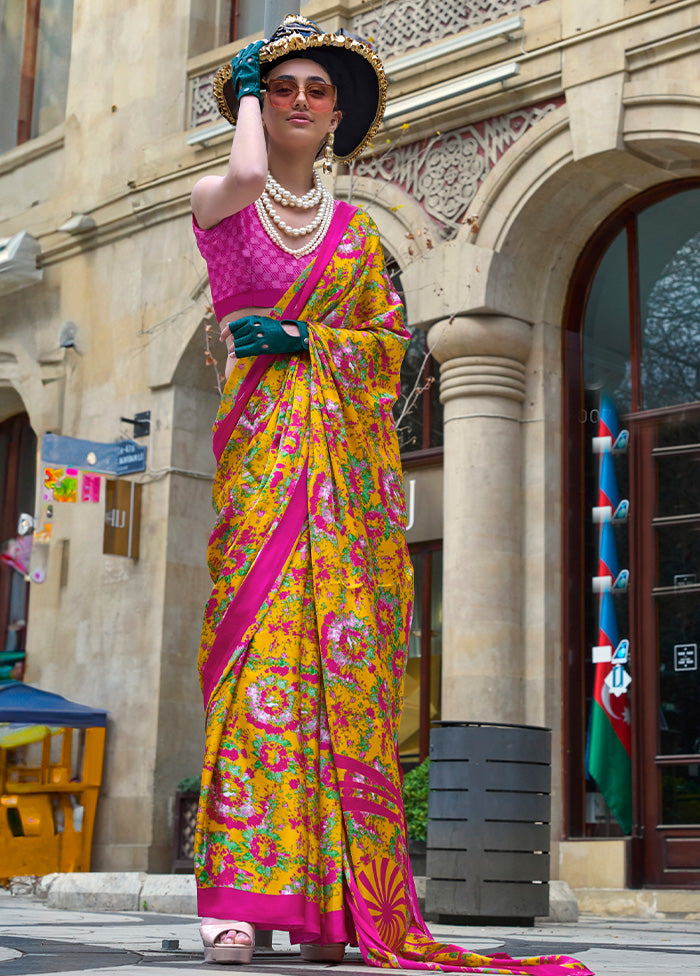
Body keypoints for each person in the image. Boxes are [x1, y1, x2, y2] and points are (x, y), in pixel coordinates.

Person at [191, 15, 594, 975]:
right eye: (281, 86)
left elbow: (385, 353)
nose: (298, 100)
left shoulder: (360, 235)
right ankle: (235, 909)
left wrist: (306, 342)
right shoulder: (221, 199)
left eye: (316, 90)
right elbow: (247, 178)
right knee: (258, 673)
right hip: (264, 472)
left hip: (342, 485)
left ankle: (332, 904)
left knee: (341, 690)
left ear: (338, 116)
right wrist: (243, 87)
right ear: (256, 101)